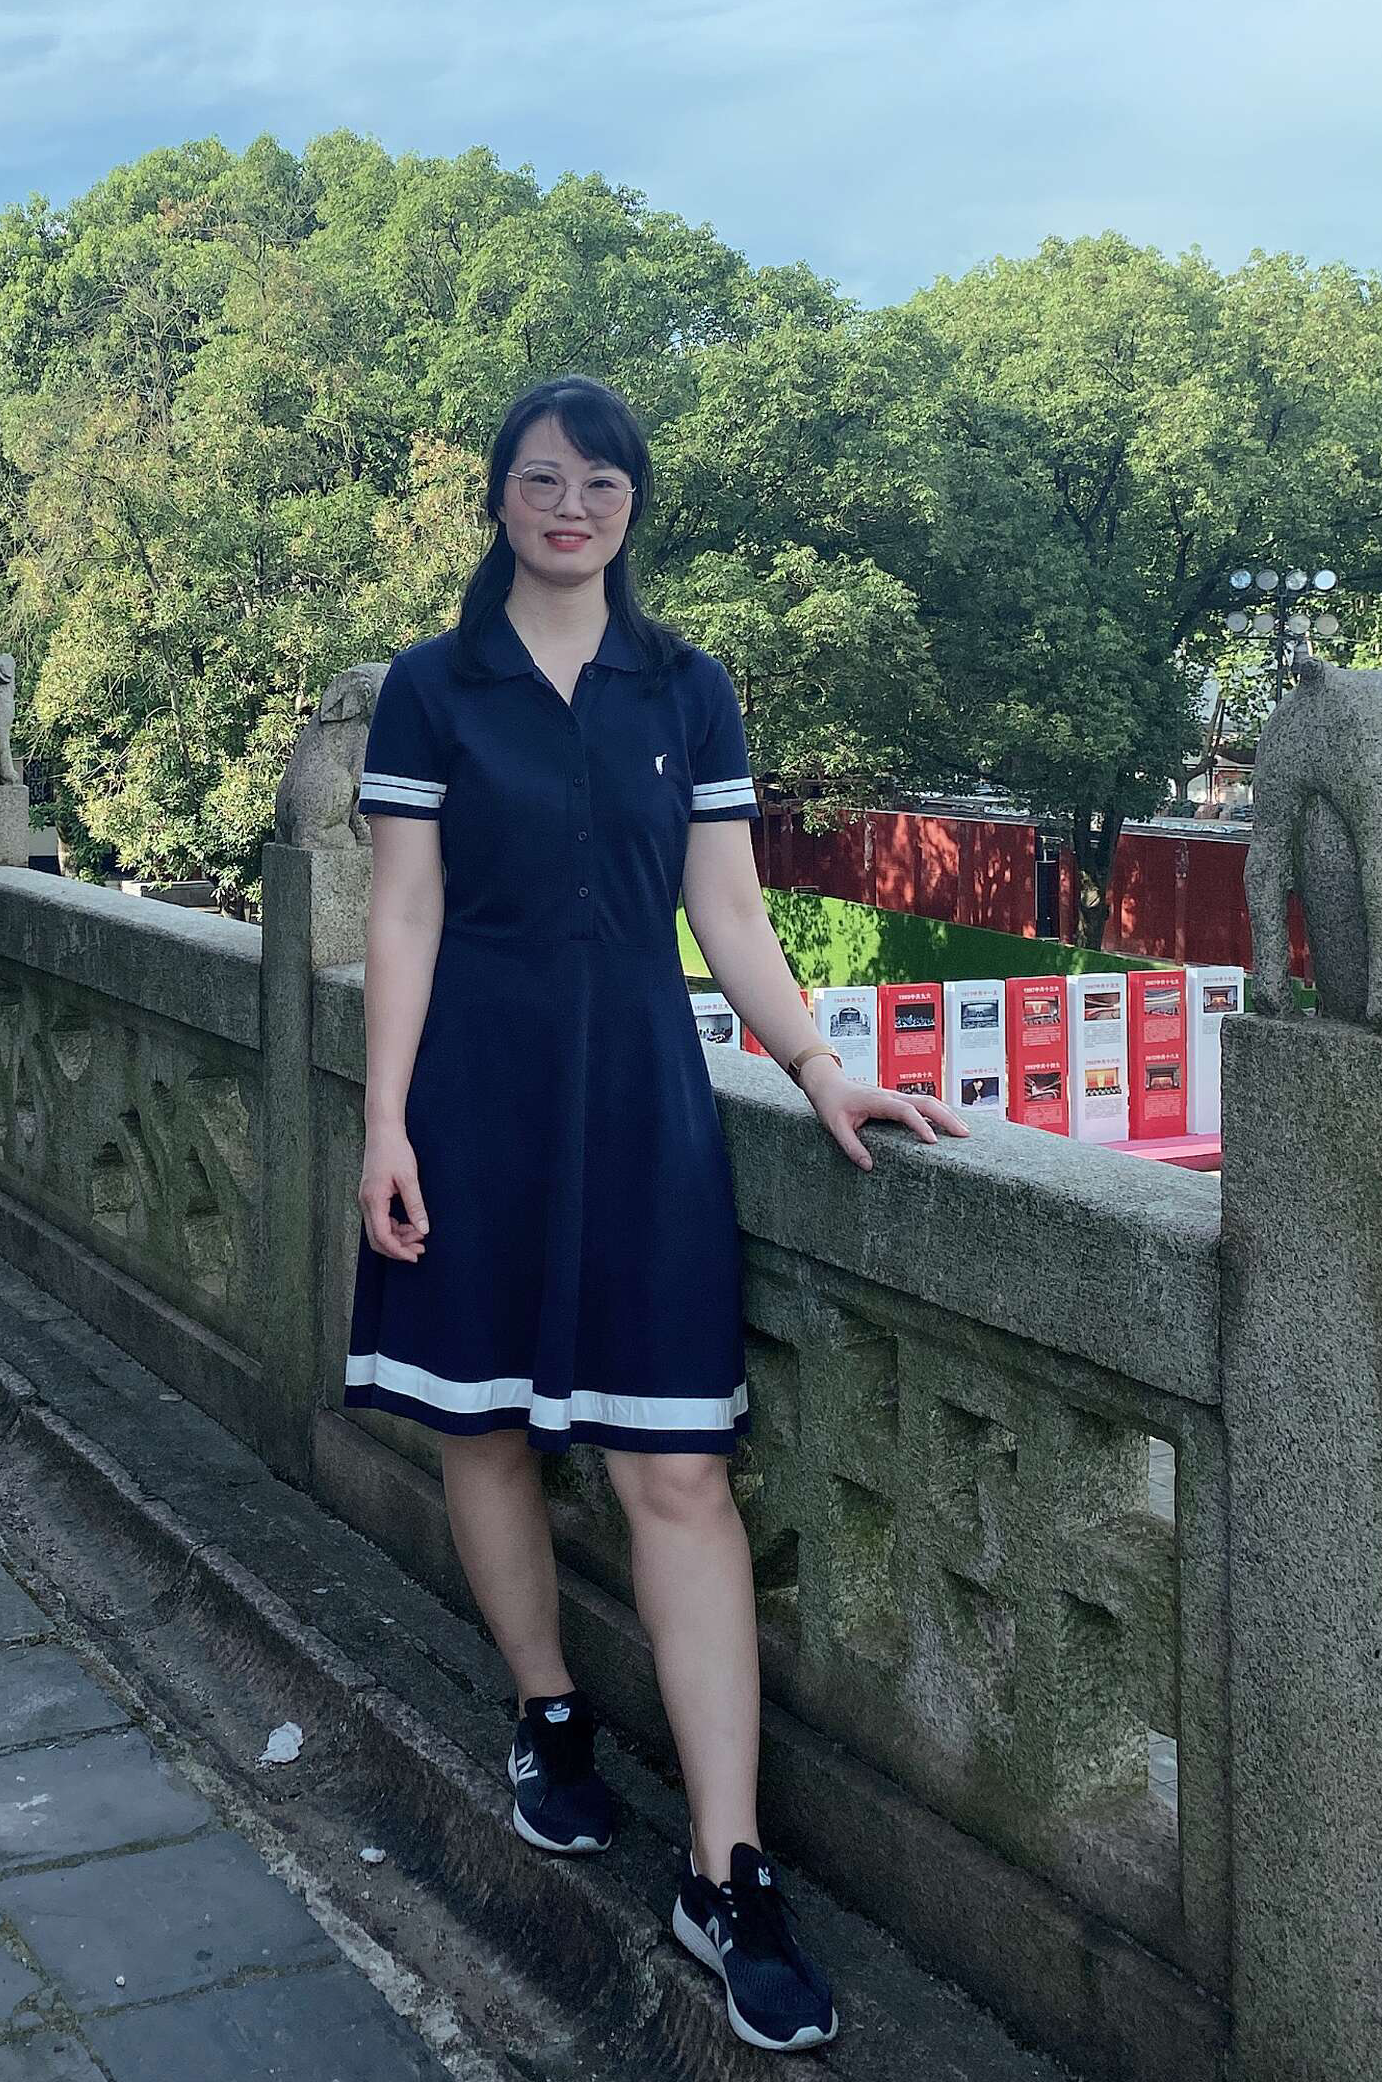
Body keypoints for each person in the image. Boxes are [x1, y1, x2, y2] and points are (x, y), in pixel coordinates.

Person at [348, 374, 968, 2055]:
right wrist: (384, 1122)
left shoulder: (685, 688)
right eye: (542, 479)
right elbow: (401, 911)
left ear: (632, 506)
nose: (570, 507)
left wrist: (819, 1068)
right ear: (496, 495)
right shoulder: (430, 687)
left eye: (600, 484)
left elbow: (731, 911)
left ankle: (724, 1866)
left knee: (676, 1466)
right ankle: (547, 1706)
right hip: (471, 1096)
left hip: (639, 1098)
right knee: (482, 1424)